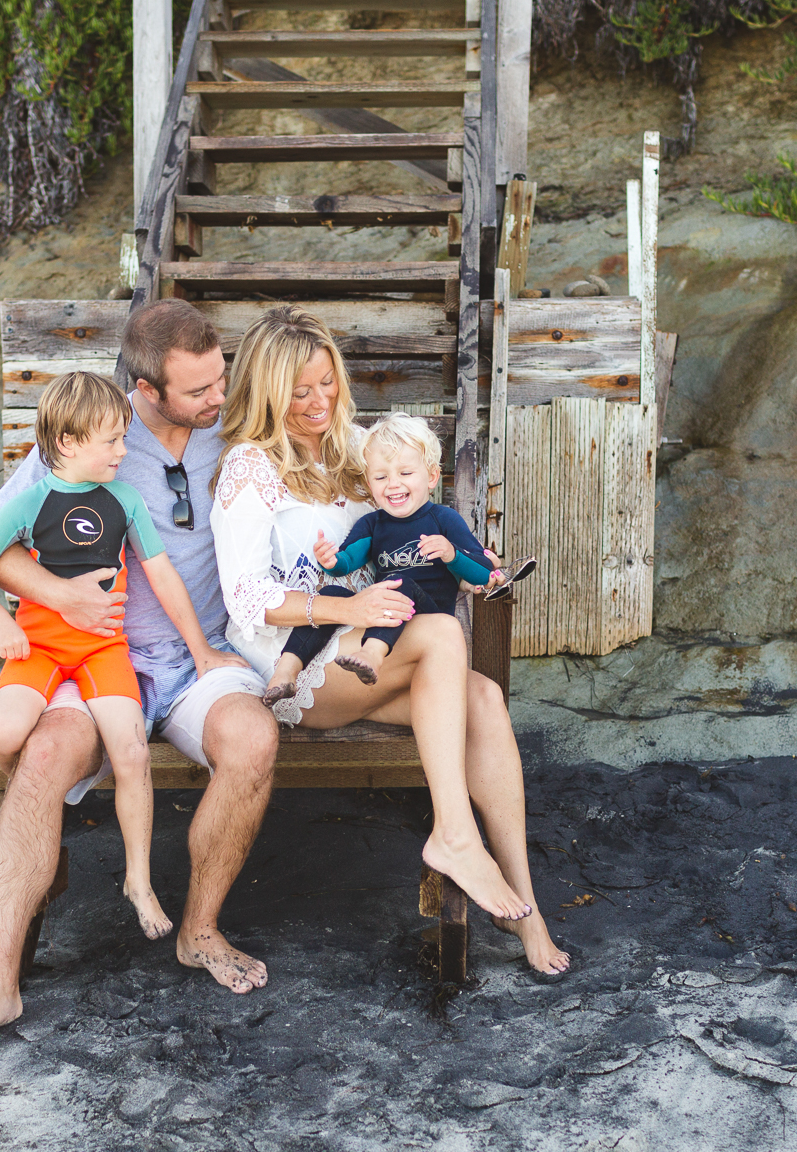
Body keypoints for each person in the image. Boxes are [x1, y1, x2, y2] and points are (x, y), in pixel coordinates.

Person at [0, 301, 280, 1067]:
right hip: (96, 651)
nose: (218, 398)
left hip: (198, 659)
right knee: (45, 752)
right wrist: (60, 597)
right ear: (145, 391)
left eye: (220, 378)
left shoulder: (240, 426)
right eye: (198, 391)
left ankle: (198, 930)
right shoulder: (98, 433)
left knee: (254, 738)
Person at [210, 306, 570, 975]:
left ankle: (528, 912)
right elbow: (247, 598)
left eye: (326, 383)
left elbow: (413, 512)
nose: (319, 403)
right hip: (297, 658)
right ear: (266, 391)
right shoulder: (249, 470)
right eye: (300, 391)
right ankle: (454, 834)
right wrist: (346, 600)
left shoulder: (357, 445)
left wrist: (465, 556)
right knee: (436, 630)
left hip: (377, 644)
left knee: (485, 700)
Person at [0, 371, 239, 940]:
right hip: (41, 645)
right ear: (67, 443)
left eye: (123, 438)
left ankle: (139, 880)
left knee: (131, 754)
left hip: (106, 648)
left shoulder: (123, 500)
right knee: (6, 737)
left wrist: (202, 650)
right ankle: (36, 828)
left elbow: (163, 577)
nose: (123, 452)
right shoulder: (30, 502)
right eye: (111, 441)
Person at [261, 412, 524, 703]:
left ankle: (370, 654)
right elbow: (348, 562)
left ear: (432, 476)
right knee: (331, 594)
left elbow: (485, 572)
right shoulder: (373, 524)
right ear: (369, 482)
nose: (393, 484)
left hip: (429, 622)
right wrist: (332, 561)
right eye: (381, 476)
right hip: (386, 619)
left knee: (400, 583)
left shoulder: (444, 520)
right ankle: (286, 671)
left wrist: (452, 554)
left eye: (406, 473)